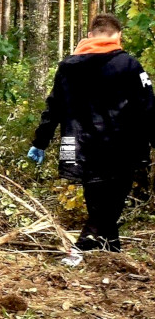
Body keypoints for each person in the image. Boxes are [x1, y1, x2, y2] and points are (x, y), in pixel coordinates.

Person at [27, 13, 154, 266]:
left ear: (89, 35)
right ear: (118, 36)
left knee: (97, 198)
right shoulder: (129, 64)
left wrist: (40, 141)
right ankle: (82, 247)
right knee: (111, 200)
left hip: (77, 145)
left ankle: (111, 250)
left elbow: (54, 107)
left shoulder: (67, 66)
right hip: (120, 146)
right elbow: (148, 106)